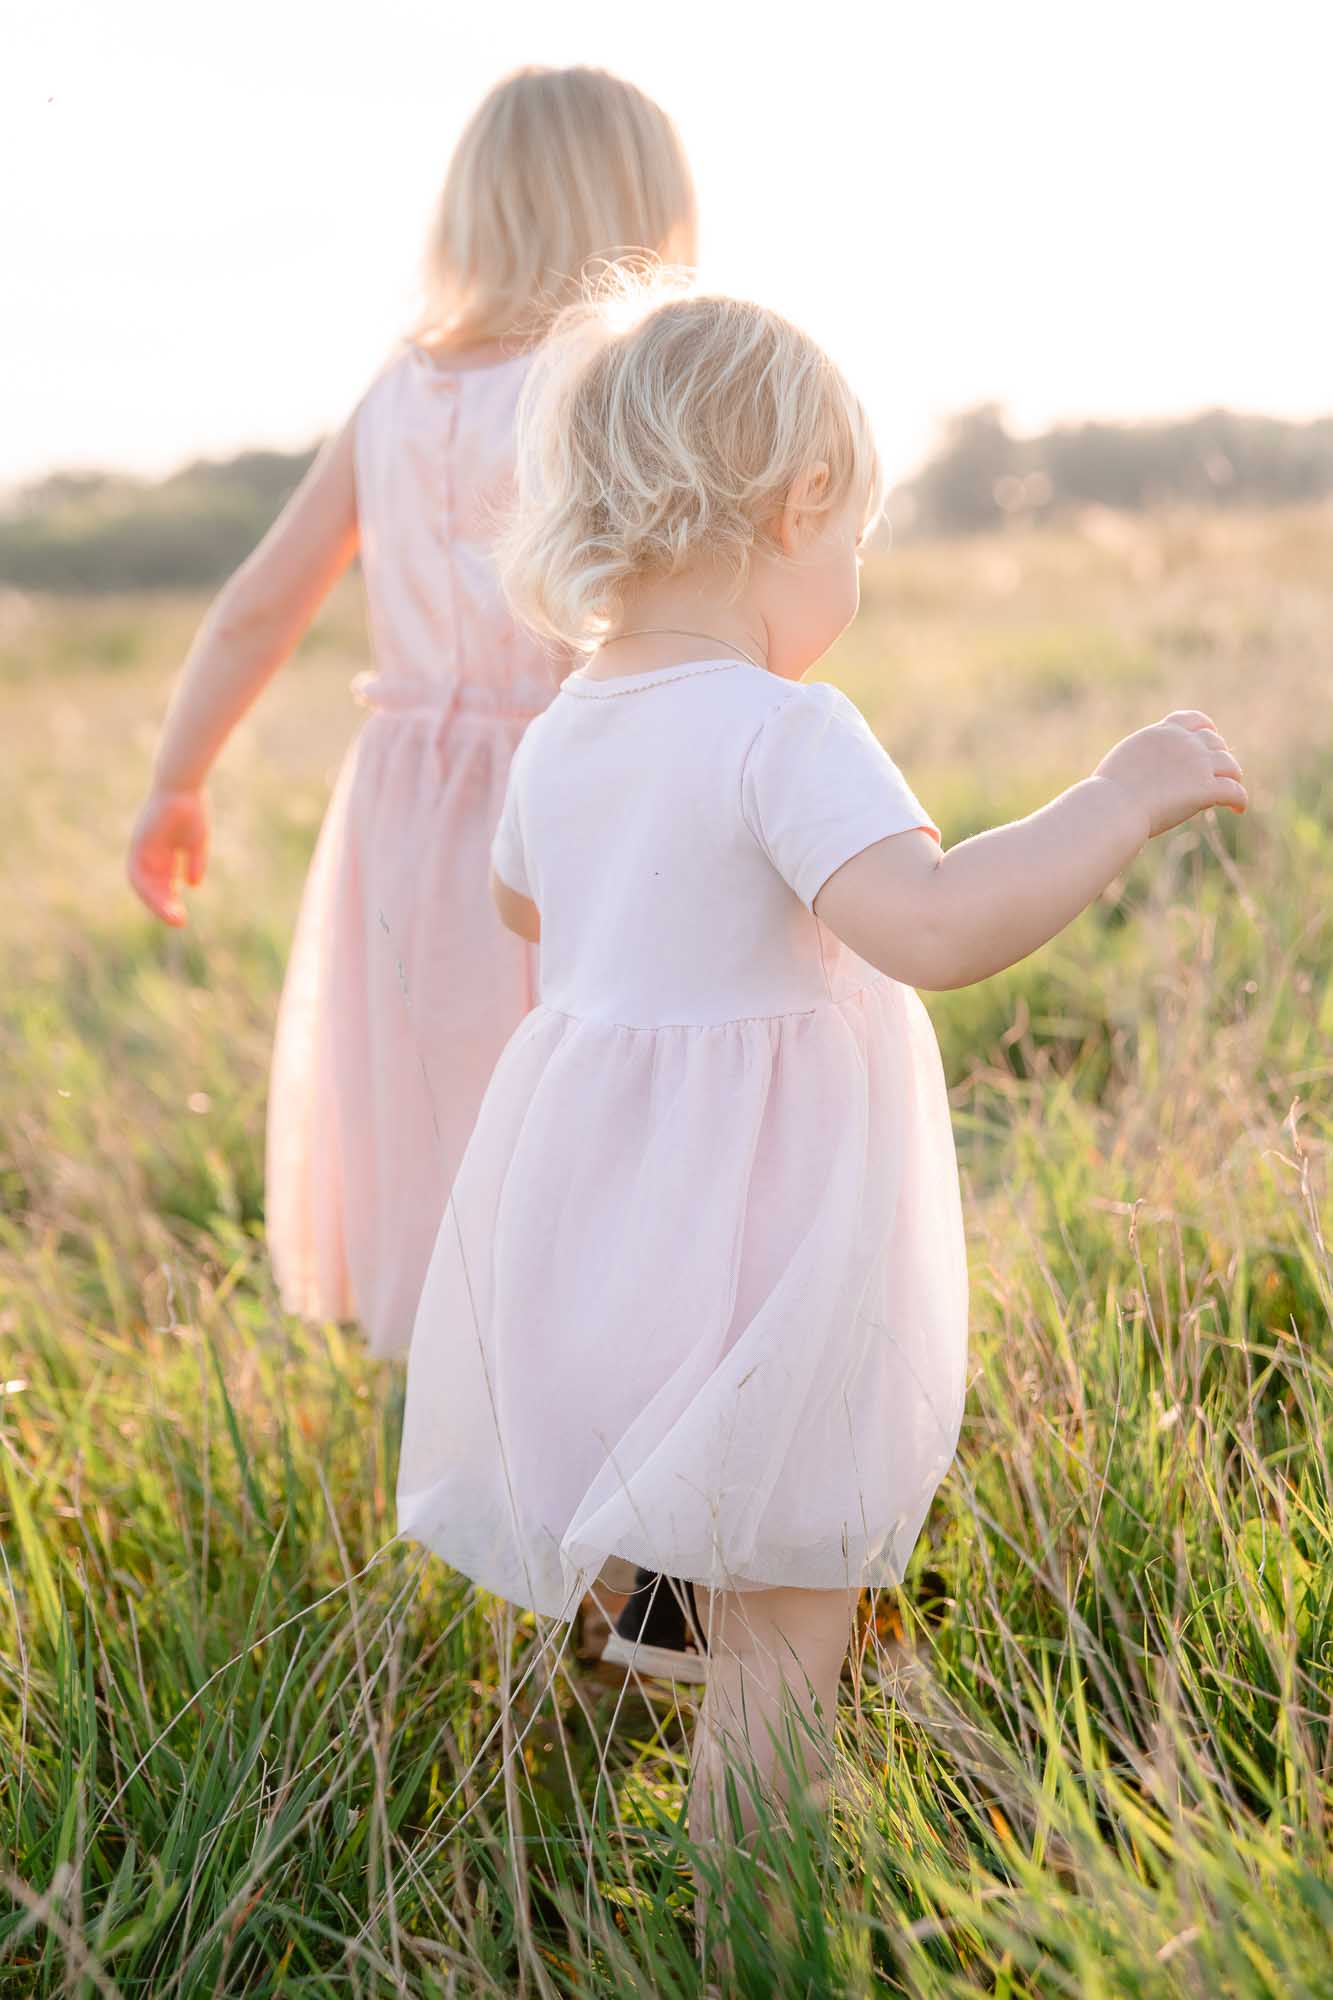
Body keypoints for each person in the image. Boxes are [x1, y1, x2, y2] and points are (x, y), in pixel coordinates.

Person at [395, 279, 1247, 1852]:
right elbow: (929, 923)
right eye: (853, 534)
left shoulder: (565, 731)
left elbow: (524, 898)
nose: (851, 568)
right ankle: (750, 1913)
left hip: (600, 1236)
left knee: (704, 1540)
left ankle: (654, 1672)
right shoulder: (783, 731)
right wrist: (1115, 802)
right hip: (766, 1245)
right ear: (800, 507)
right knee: (787, 1614)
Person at [125, 69, 697, 1356]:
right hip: (571, 793)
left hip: (407, 804)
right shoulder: (609, 378)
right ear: (645, 210)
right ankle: (589, 1360)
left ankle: (459, 1366)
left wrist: (178, 777)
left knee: (432, 1090)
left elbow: (258, 604)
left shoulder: (402, 389)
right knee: (592, 1083)